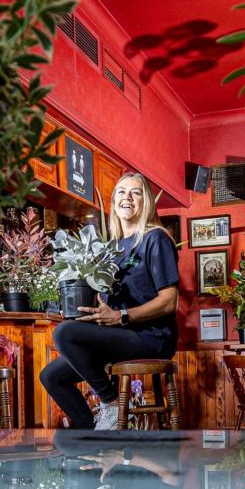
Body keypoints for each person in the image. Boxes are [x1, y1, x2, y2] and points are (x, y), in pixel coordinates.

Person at [40, 172, 180, 430]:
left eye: (135, 192)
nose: (127, 197)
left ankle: (113, 403)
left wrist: (121, 316)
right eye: (121, 192)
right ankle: (93, 439)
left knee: (64, 334)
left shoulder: (155, 238)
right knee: (51, 377)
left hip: (150, 337)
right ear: (114, 201)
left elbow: (169, 301)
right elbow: (107, 301)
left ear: (146, 202)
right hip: (119, 337)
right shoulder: (113, 249)